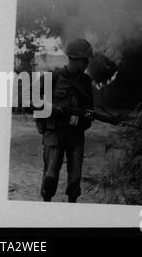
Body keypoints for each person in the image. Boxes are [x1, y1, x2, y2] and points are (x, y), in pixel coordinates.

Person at [35, 38, 94, 203]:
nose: (87, 63)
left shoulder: (86, 81)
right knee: (50, 177)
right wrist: (54, 109)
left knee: (75, 180)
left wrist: (87, 117)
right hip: (54, 132)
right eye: (85, 60)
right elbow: (32, 101)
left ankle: (71, 209)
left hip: (75, 134)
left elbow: (90, 108)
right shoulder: (52, 77)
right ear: (74, 59)